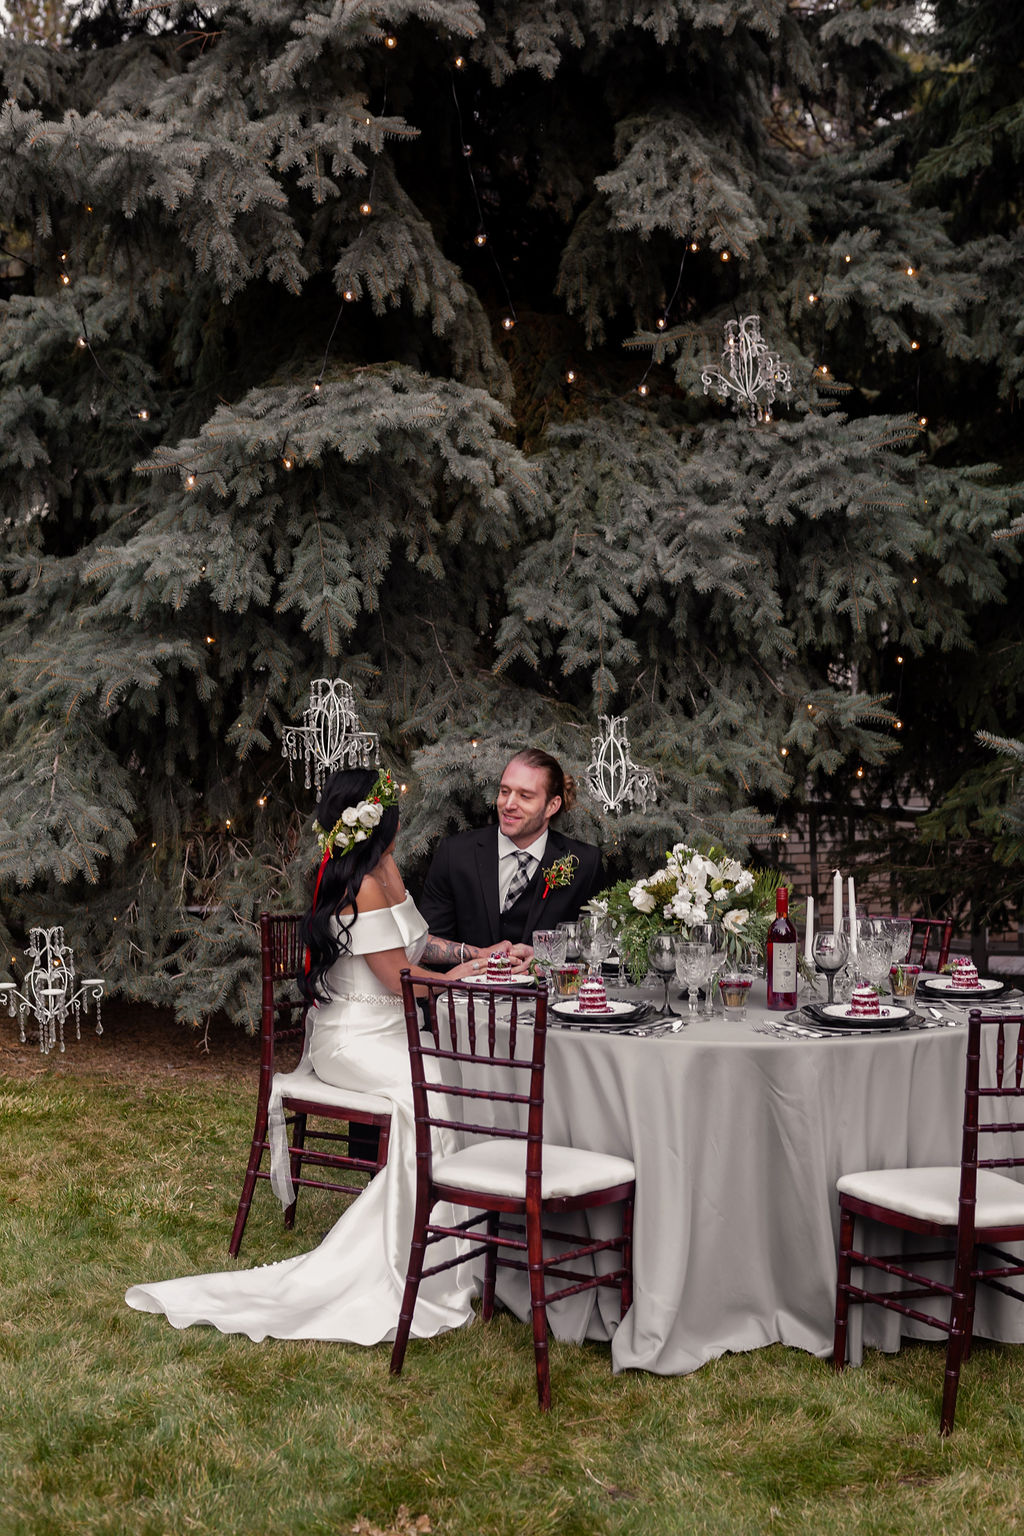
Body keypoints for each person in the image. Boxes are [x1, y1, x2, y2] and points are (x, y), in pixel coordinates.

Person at [125, 765, 506, 1344]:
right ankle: (404, 1261)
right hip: (353, 1038)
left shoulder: (383, 869)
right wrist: (468, 975)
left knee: (452, 1083)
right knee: (427, 1100)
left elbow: (419, 941)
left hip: (390, 1032)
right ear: (385, 826)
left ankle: (459, 1252)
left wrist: (476, 950)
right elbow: (403, 978)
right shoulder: (362, 886)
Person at [417, 748, 603, 951]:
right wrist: (478, 958)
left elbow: (595, 946)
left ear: (552, 805)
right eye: (505, 791)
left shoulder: (584, 864)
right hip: (469, 982)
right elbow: (426, 944)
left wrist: (545, 959)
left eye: (525, 796)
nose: (509, 804)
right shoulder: (455, 854)